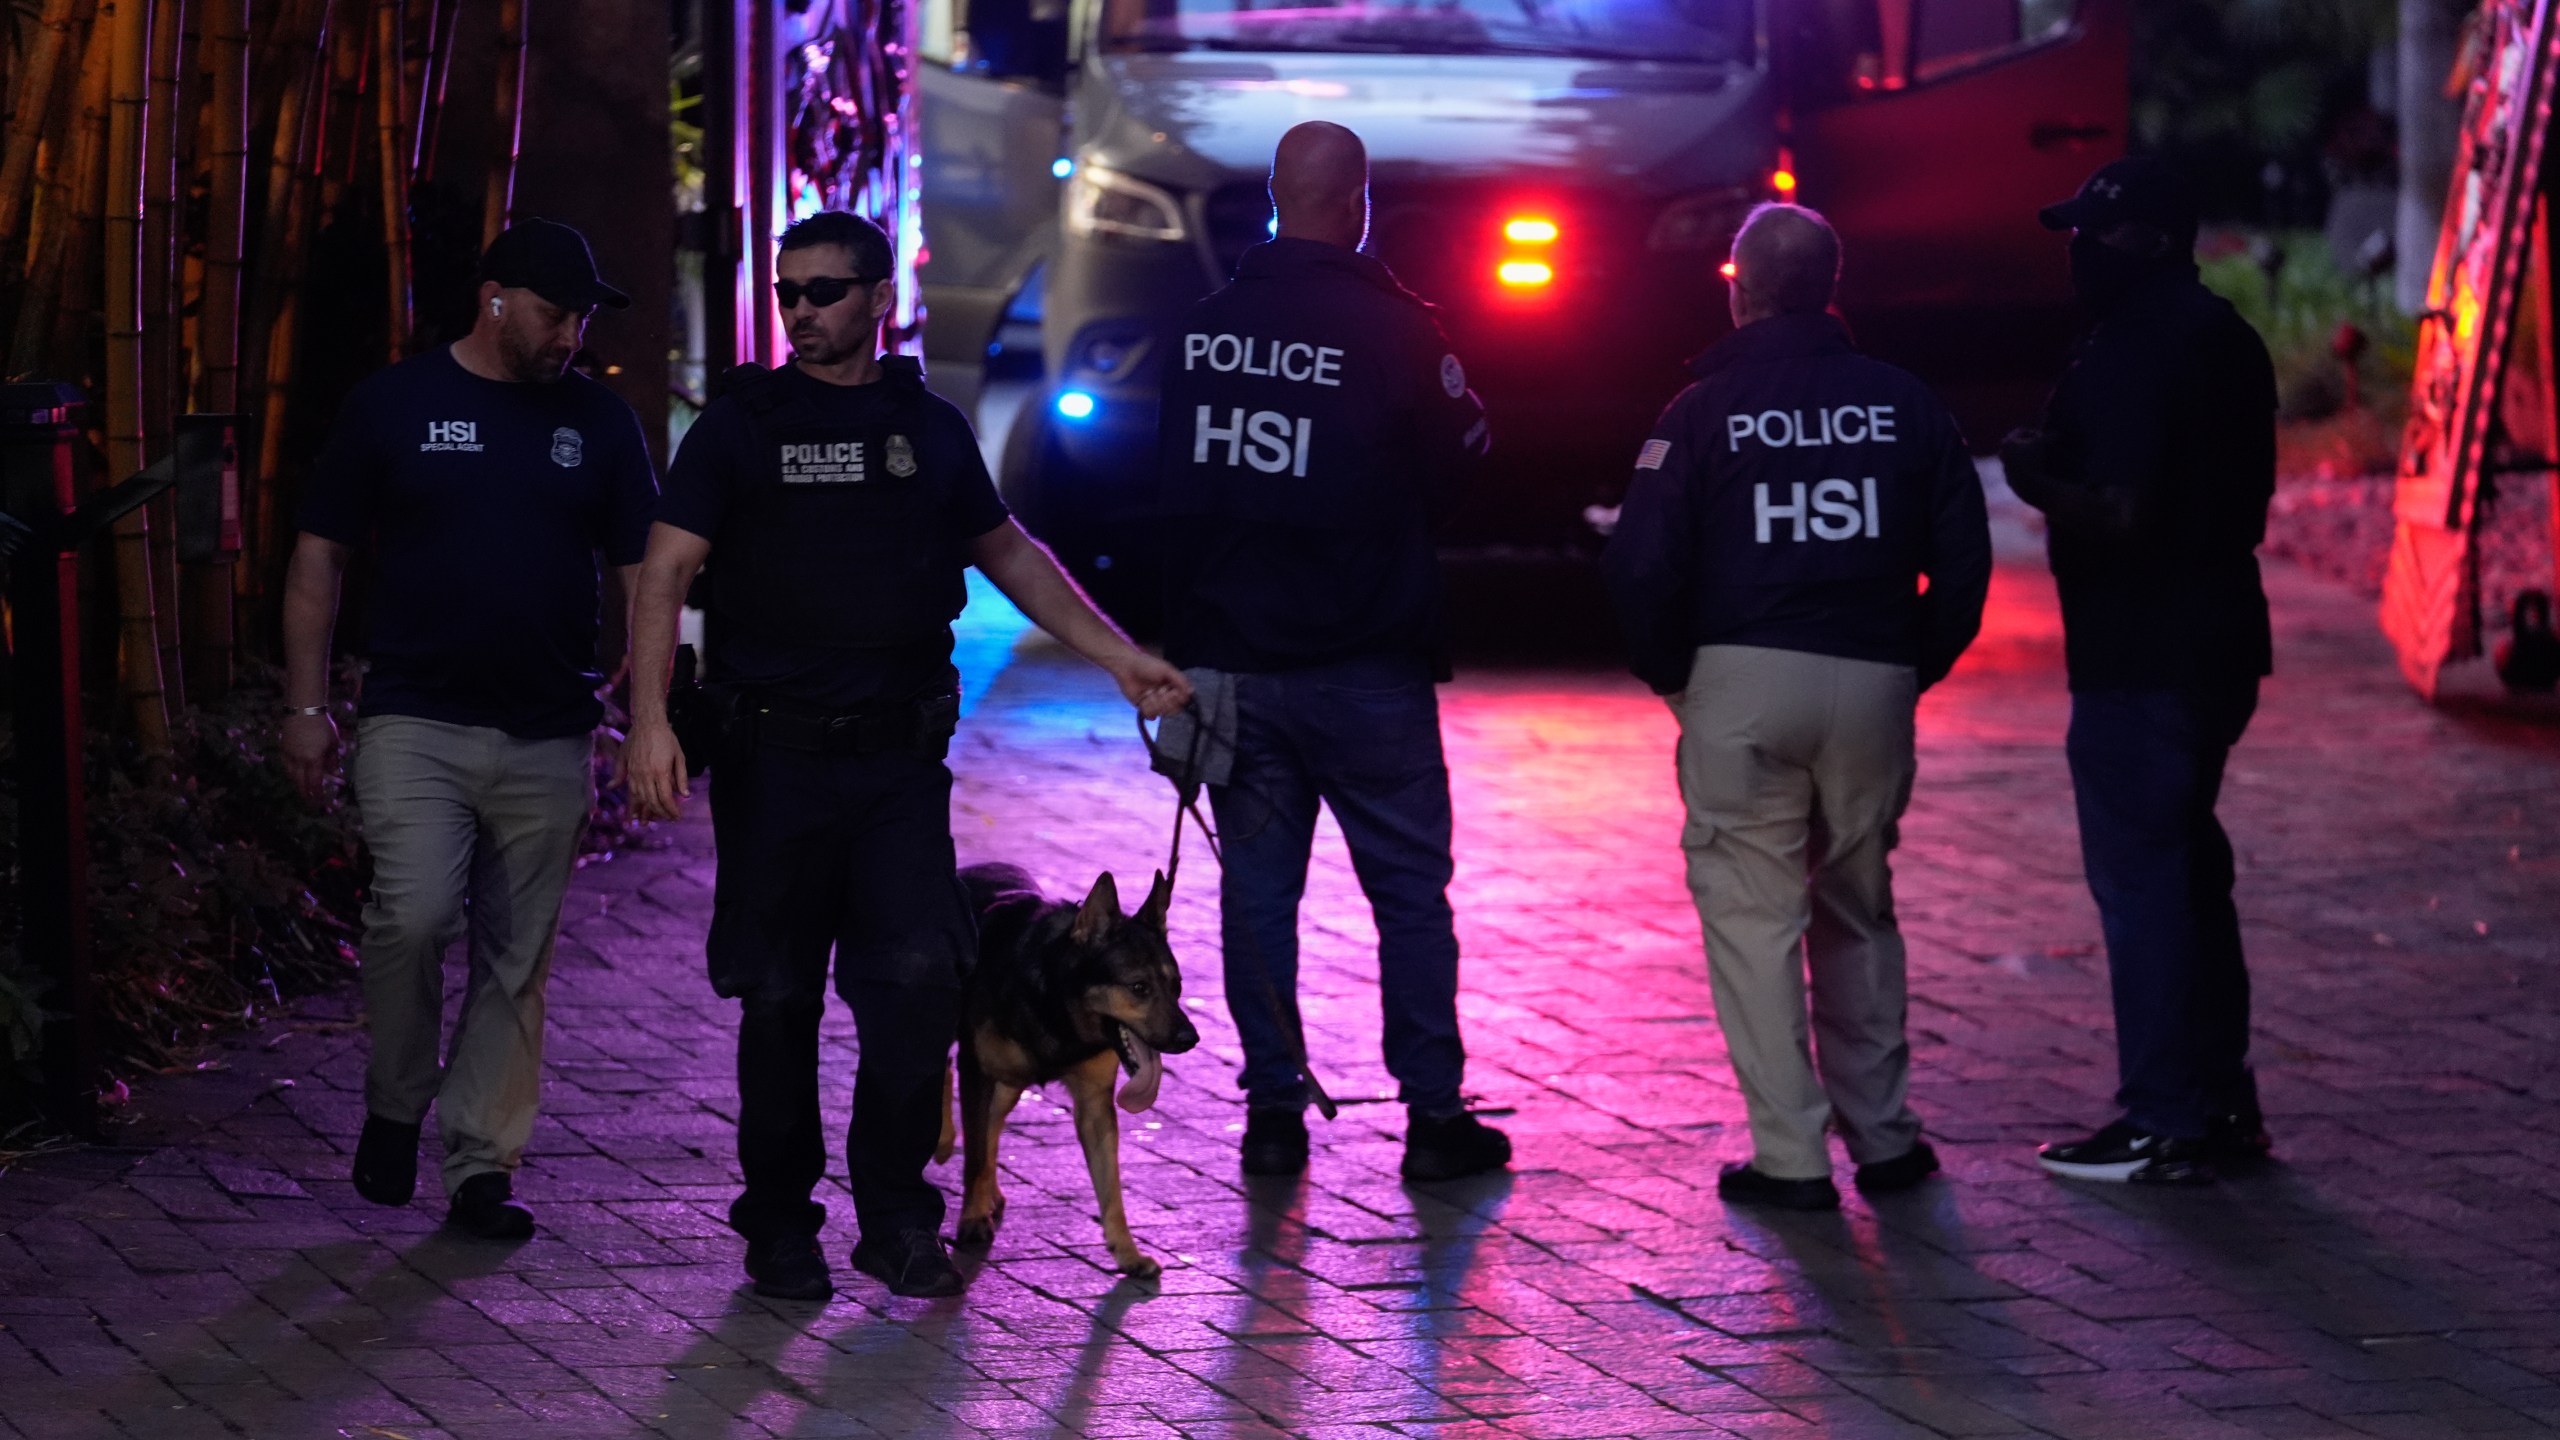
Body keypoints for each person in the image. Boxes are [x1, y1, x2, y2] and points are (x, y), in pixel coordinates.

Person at [619, 211, 1189, 1302]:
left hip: (895, 768)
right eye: (788, 292)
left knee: (918, 988)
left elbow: (1008, 550)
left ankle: (894, 1220)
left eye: (824, 291)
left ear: (881, 298)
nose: (801, 311)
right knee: (777, 998)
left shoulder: (925, 428)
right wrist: (649, 718)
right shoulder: (741, 426)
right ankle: (780, 1227)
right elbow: (666, 569)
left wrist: (1118, 656)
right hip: (774, 762)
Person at [1602, 203, 1991, 1211]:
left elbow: (1640, 565)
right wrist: (1912, 664)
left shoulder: (1699, 411)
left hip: (1740, 674)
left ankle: (1791, 1157)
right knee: (1857, 905)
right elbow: (1962, 557)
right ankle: (1887, 1140)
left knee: (1753, 917)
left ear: (1741, 288)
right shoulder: (1904, 402)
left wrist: (1677, 680)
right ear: (1829, 289)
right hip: (1872, 673)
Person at [280, 219, 658, 1239]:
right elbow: (319, 559)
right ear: (494, 299)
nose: (570, 336)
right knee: (410, 917)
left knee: (516, 954)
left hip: (550, 728)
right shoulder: (394, 404)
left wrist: (647, 703)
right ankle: (396, 1100)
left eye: (581, 319)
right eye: (554, 314)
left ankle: (483, 1164)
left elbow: (643, 571)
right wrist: (306, 709)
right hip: (417, 717)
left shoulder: (600, 423)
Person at [1156, 121, 1510, 1183]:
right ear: (1359, 202)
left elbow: (1170, 494)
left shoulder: (1204, 330)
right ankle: (1434, 1119)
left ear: (1274, 196)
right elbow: (1464, 464)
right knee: (1408, 897)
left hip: (1236, 665)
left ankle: (1273, 1115)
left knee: (1258, 898)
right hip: (1368, 666)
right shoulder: (1398, 329)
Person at [2002, 157, 2278, 1185]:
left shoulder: (2130, 346)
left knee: (2147, 885)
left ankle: (2165, 1116)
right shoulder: (2225, 336)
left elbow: (2120, 510)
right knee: (2191, 873)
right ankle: (2219, 1102)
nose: (2078, 252)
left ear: (2150, 239)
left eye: (2096, 233)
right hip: (2220, 638)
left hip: (2139, 649)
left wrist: (2034, 477)